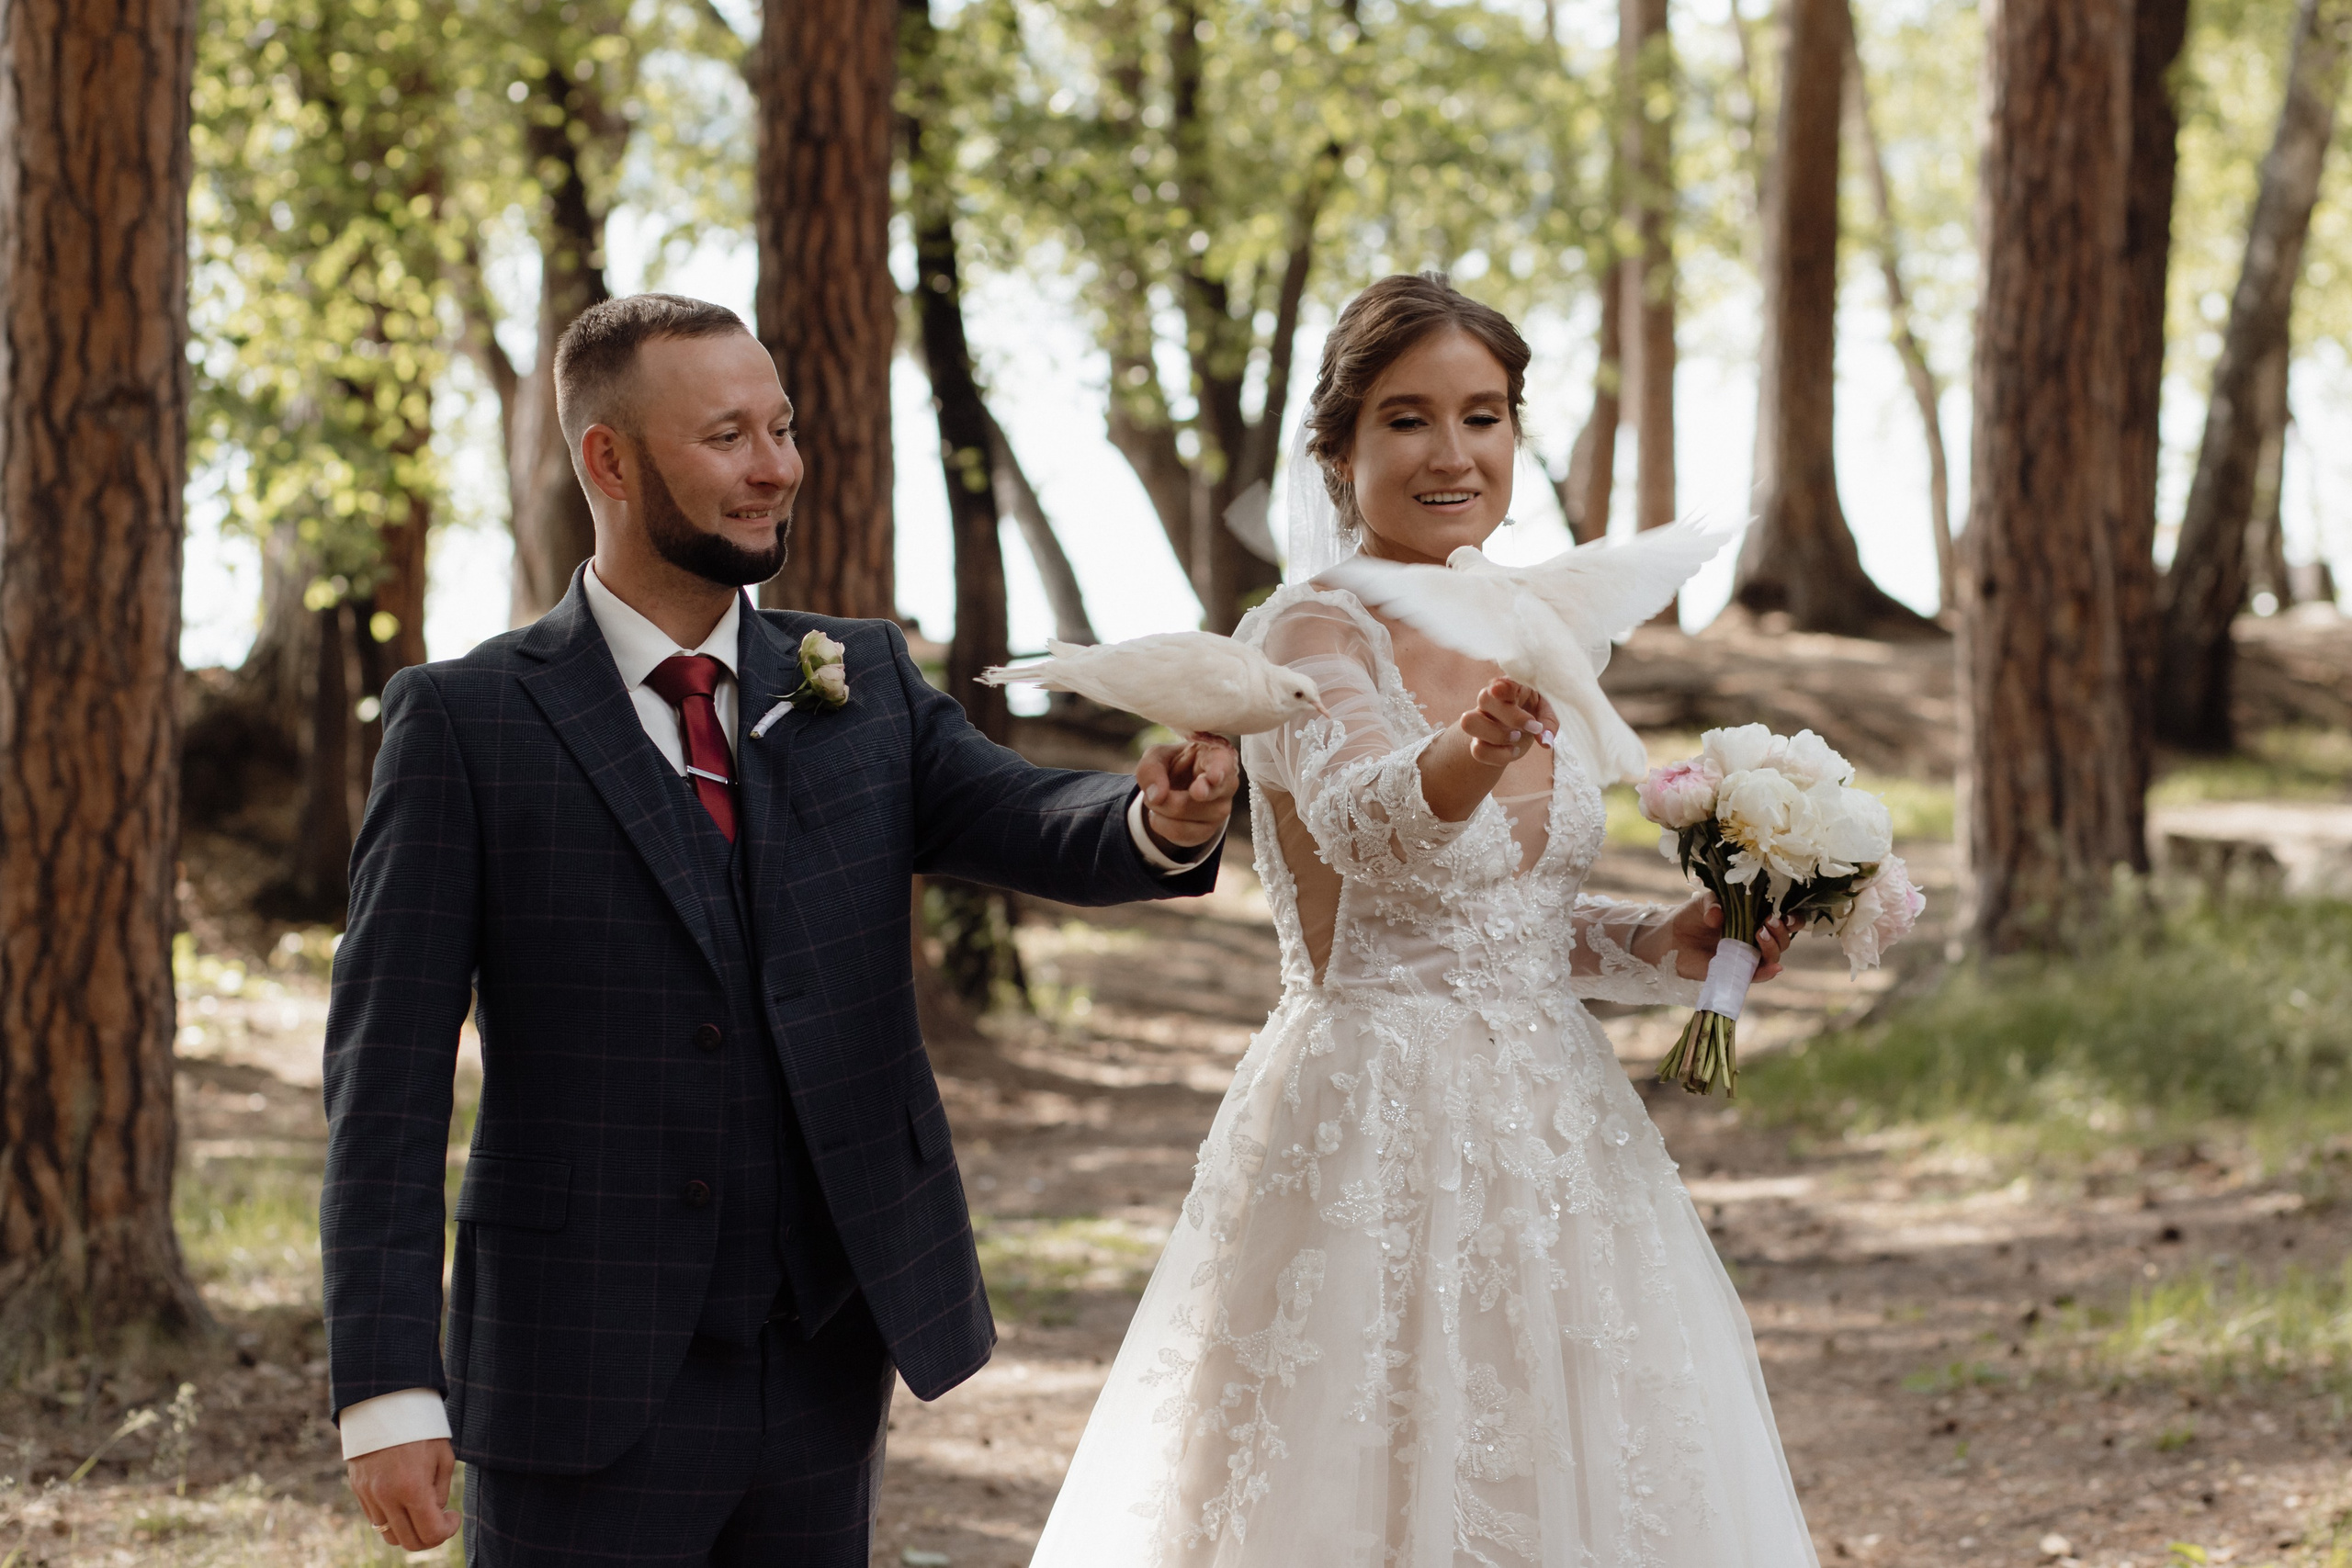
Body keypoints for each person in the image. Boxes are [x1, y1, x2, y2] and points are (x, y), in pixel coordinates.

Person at [321, 293, 1237, 1564]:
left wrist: (1162, 822)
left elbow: (1031, 817)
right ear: (610, 462)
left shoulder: (857, 681)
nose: (778, 468)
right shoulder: (466, 722)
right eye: (728, 438)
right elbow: (387, 1076)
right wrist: (385, 1384)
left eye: (783, 426)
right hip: (577, 1362)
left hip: (825, 1351)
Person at [1029, 273, 1817, 1567]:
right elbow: (1370, 830)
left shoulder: (1532, 619)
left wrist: (1665, 943)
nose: (1453, 453)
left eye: (1484, 415)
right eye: (1407, 419)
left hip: (1559, 1137)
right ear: (1339, 451)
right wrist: (1470, 743)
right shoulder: (1309, 627)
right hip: (1370, 1125)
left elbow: (1515, 920)